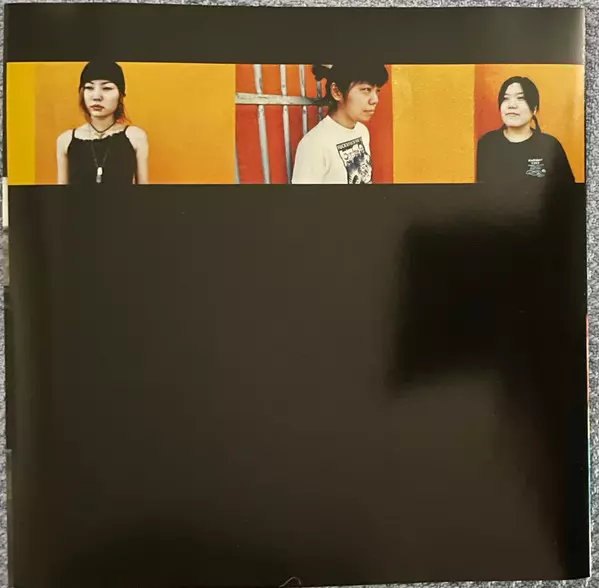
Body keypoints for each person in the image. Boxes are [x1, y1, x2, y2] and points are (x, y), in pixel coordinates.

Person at [291, 63, 389, 184]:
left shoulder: (362, 131)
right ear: (336, 92)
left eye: (377, 91)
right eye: (366, 90)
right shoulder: (314, 143)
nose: (375, 100)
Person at [57, 60, 149, 185]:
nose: (96, 96)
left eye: (107, 88)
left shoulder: (136, 137)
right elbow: (61, 193)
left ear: (120, 95)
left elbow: (144, 192)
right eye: (89, 88)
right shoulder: (65, 140)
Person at [476, 76, 574, 183]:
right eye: (506, 98)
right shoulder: (486, 143)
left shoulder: (550, 145)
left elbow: (568, 189)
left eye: (520, 98)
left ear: (534, 109)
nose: (511, 105)